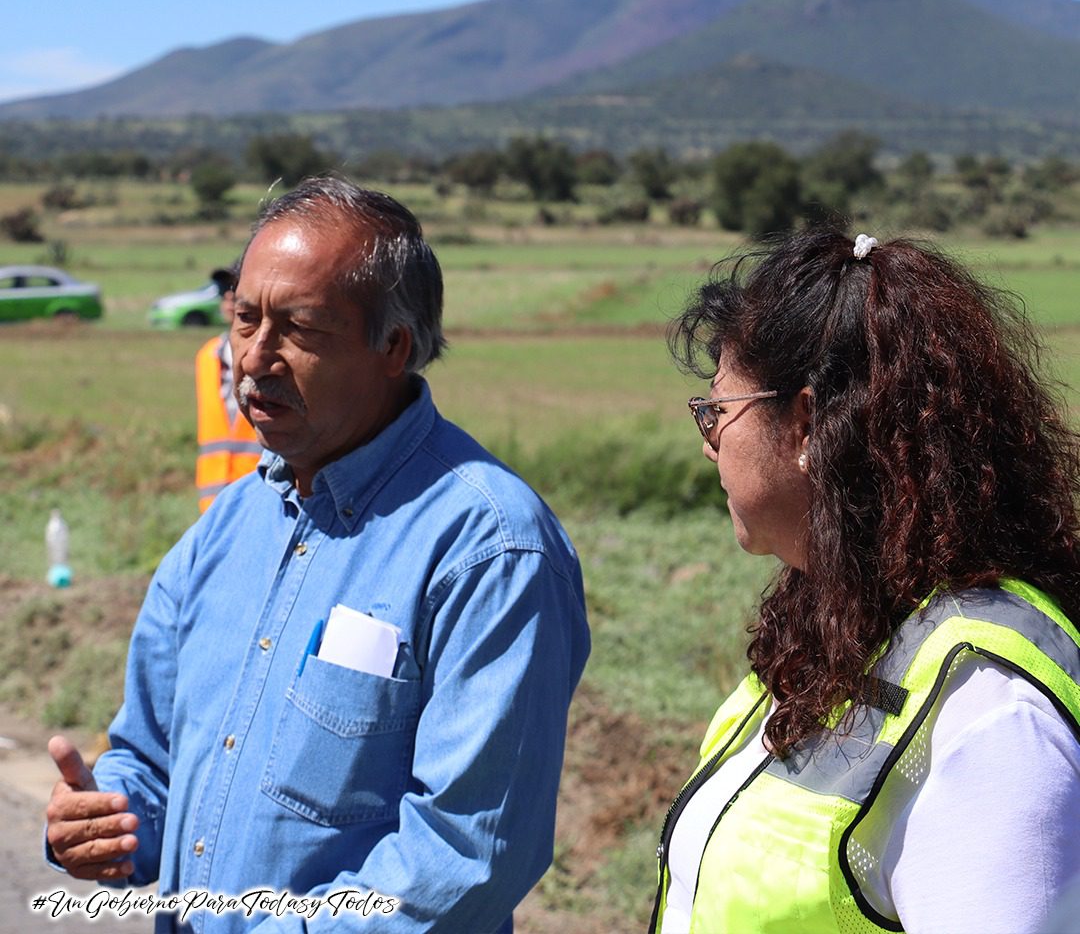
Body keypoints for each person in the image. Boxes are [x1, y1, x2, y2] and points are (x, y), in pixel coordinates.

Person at [45, 177, 591, 932]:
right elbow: (152, 757)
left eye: (300, 329)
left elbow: (466, 856)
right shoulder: (225, 529)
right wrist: (107, 820)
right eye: (243, 319)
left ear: (393, 347)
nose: (255, 358)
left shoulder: (489, 550)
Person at [650, 229, 1080, 934]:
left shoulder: (990, 710)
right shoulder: (833, 614)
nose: (708, 441)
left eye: (717, 412)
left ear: (809, 422)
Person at [194, 265, 262, 513]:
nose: (228, 298)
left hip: (262, 494)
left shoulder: (268, 357)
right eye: (224, 291)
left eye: (235, 290)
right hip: (214, 499)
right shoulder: (207, 356)